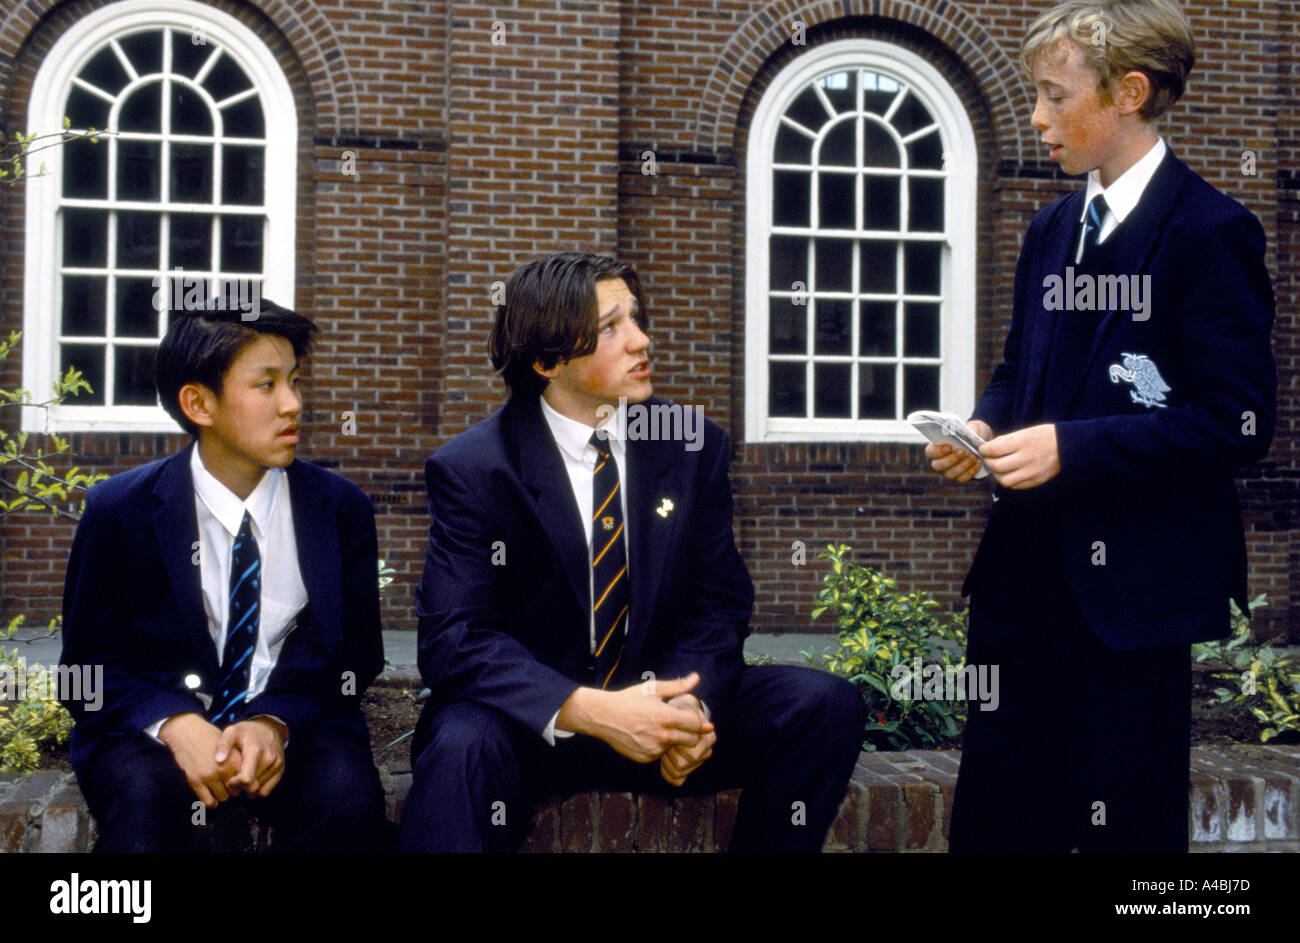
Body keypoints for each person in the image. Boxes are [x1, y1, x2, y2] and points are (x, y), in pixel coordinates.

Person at [926, 0, 1275, 852]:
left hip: (1134, 601)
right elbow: (1022, 371)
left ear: (1129, 91)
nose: (1036, 118)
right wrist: (981, 426)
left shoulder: (1211, 233)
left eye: (1052, 95)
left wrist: (1071, 448)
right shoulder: (1050, 231)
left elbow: (1238, 423)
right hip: (1021, 583)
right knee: (999, 822)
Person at [398, 251, 867, 852]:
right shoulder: (476, 468)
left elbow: (718, 604)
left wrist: (689, 710)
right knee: (461, 742)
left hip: (660, 716)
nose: (642, 340)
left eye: (637, 319)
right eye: (611, 328)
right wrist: (590, 710)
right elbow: (454, 640)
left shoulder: (691, 445)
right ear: (546, 360)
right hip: (539, 727)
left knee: (822, 704)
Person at [60, 300, 388, 852]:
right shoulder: (121, 510)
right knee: (146, 814)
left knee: (349, 808)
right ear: (199, 404)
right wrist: (172, 723)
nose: (293, 405)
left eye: (295, 382)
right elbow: (85, 670)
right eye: (267, 386)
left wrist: (274, 721)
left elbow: (355, 655)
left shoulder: (340, 509)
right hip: (150, 730)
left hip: (295, 719)